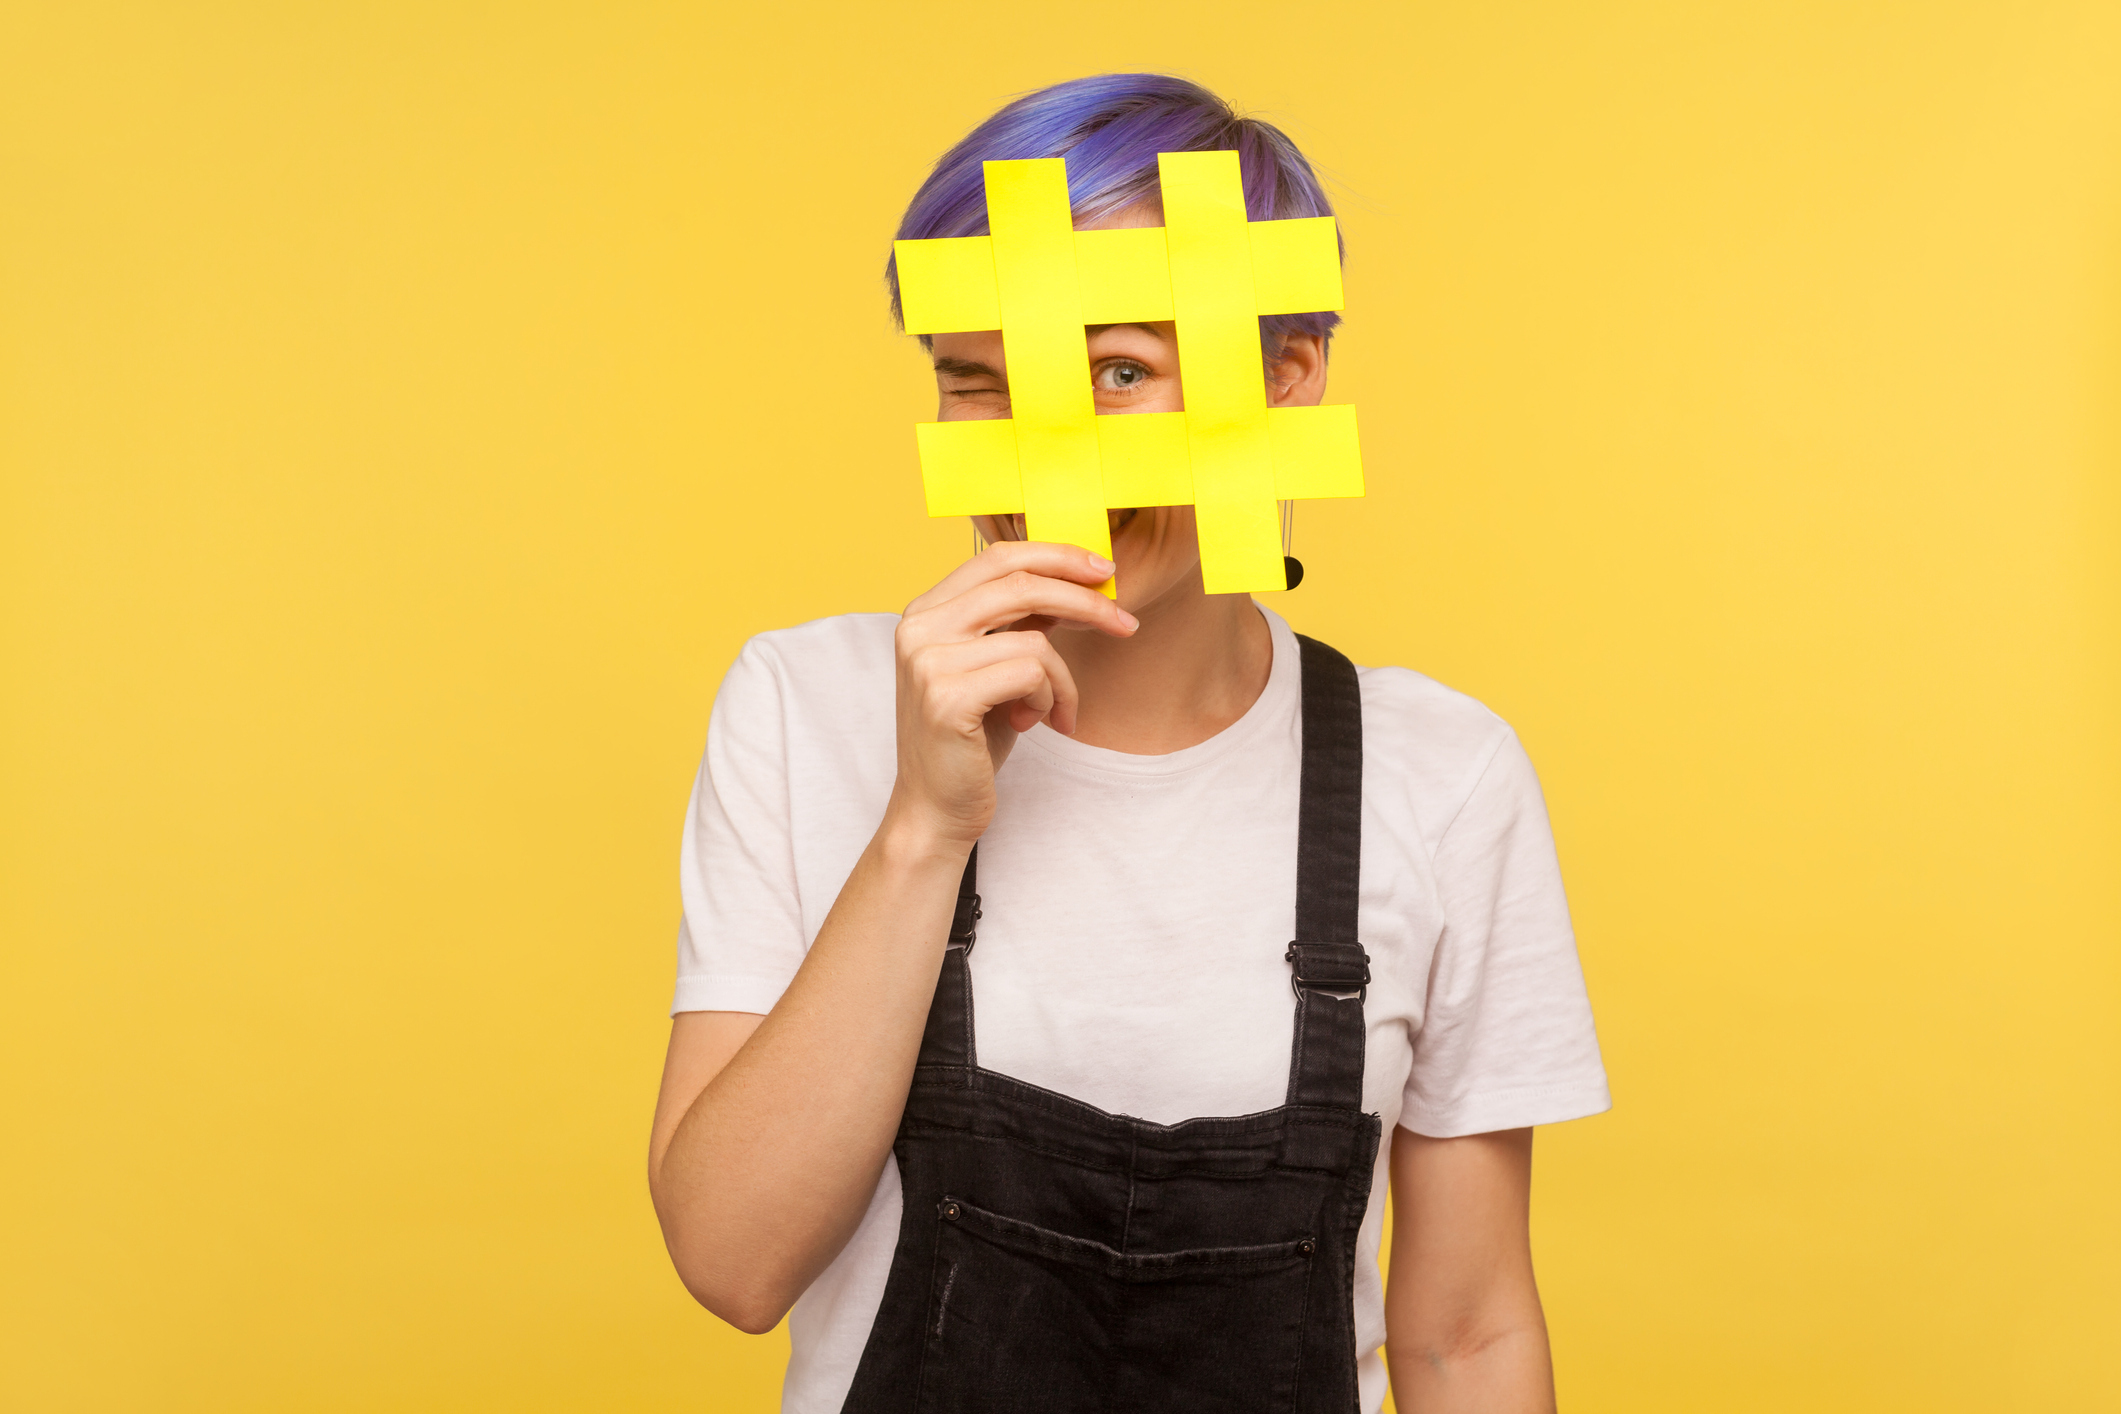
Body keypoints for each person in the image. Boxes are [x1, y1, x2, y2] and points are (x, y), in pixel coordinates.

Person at [648, 74, 1609, 1414]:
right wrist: (921, 827)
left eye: (1116, 371)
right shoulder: (802, 706)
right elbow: (732, 1261)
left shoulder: (1443, 778)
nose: (1051, 458)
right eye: (978, 383)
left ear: (1284, 377)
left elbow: (1464, 1334)